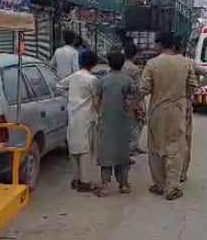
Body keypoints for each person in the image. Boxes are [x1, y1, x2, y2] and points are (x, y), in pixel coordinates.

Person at [140, 31, 197, 201]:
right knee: (175, 148)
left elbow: (145, 89)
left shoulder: (151, 64)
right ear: (174, 45)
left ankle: (159, 184)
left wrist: (132, 102)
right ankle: (171, 187)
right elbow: (193, 86)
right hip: (178, 110)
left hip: (157, 111)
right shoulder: (185, 63)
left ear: (159, 45)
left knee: (156, 146)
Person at [95, 51, 139, 197]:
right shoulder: (127, 80)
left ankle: (105, 186)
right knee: (122, 152)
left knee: (106, 154)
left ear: (108, 63)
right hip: (123, 120)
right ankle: (124, 184)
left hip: (106, 121)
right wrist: (129, 109)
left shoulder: (103, 80)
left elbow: (97, 101)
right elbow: (136, 96)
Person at [57, 50, 99, 192]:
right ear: (94, 64)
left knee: (74, 147)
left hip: (73, 115)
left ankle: (76, 178)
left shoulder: (73, 77)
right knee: (86, 149)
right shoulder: (92, 79)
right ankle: (85, 181)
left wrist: (70, 95)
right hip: (86, 116)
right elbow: (97, 98)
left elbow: (59, 85)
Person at [175, 41, 207, 183]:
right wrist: (196, 87)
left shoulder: (165, 63)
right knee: (185, 139)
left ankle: (170, 171)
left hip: (170, 103)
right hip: (186, 103)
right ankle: (182, 173)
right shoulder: (190, 63)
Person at [122, 44, 145, 160]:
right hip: (133, 101)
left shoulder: (120, 65)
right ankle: (128, 152)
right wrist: (139, 104)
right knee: (136, 127)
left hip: (121, 100)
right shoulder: (134, 69)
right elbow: (138, 89)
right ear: (135, 55)